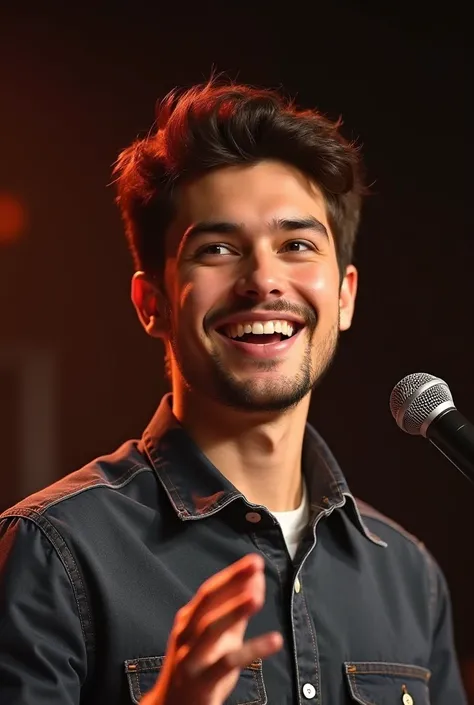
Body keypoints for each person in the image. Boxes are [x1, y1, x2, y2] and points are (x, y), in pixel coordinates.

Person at [0, 78, 467, 705]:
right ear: (153, 303)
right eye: (217, 248)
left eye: (297, 245)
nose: (263, 280)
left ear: (346, 295)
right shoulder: (53, 553)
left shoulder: (410, 578)